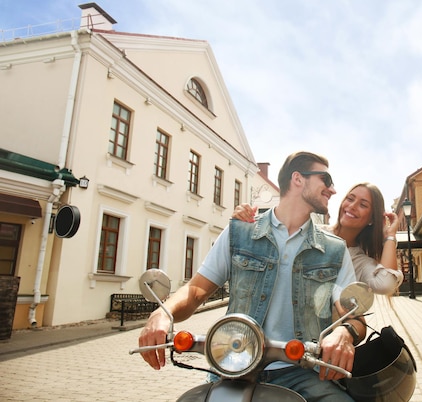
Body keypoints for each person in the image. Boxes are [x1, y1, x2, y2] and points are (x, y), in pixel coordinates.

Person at [138, 151, 365, 402]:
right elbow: (195, 291)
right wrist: (162, 314)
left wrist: (344, 332)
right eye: (326, 179)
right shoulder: (239, 232)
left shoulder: (334, 249)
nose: (333, 190)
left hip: (303, 372)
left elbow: (354, 318)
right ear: (298, 179)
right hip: (234, 368)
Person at [234, 182, 403, 295]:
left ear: (372, 218)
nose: (351, 206)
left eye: (363, 204)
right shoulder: (312, 232)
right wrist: (245, 219)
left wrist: (390, 236)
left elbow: (386, 285)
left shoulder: (360, 261)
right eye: (350, 199)